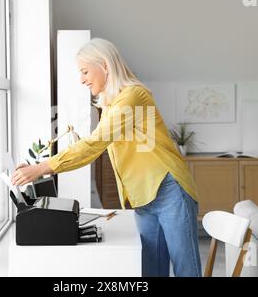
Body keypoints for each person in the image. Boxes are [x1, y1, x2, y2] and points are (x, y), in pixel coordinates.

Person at [11, 38, 201, 277]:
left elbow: (95, 144)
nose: (81, 79)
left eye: (84, 71)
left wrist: (42, 168)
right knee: (151, 271)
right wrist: (38, 167)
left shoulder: (133, 96)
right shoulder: (112, 104)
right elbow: (97, 142)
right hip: (143, 196)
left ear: (105, 65)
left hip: (169, 189)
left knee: (186, 271)